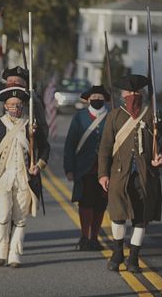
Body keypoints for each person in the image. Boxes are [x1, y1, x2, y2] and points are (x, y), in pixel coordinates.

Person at [98, 74, 162, 273]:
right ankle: (117, 253)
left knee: (141, 218)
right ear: (123, 95)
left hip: (145, 175)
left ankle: (133, 258)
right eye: (128, 92)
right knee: (117, 215)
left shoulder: (153, 115)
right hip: (118, 176)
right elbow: (105, 148)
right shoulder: (114, 115)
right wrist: (103, 174)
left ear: (140, 93)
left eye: (135, 93)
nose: (131, 96)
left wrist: (161, 157)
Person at [0, 66, 50, 242]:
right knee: (0, 205)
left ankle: (13, 239)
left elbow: (42, 131)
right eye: (10, 82)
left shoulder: (33, 102)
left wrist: (37, 158)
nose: (13, 84)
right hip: (2, 164)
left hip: (23, 163)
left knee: (19, 207)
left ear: (24, 84)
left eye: (18, 82)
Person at [64, 85, 110, 251]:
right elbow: (70, 144)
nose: (97, 99)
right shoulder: (80, 117)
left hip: (106, 170)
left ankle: (95, 237)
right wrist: (69, 168)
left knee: (101, 203)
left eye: (100, 96)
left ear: (105, 99)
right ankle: (84, 236)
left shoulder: (111, 116)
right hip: (85, 169)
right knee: (85, 202)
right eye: (94, 96)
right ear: (88, 99)